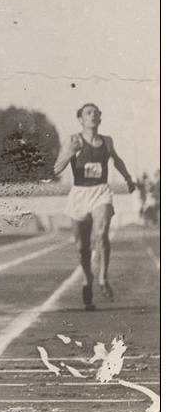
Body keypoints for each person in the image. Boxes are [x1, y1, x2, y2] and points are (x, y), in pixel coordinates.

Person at [53, 103, 136, 311]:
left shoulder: (107, 141)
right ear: (80, 119)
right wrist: (69, 153)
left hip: (101, 192)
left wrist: (128, 178)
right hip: (79, 194)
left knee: (101, 233)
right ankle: (87, 279)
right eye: (87, 113)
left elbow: (117, 161)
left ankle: (102, 278)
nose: (92, 116)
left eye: (95, 113)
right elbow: (56, 168)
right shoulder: (73, 140)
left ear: (100, 118)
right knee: (82, 247)